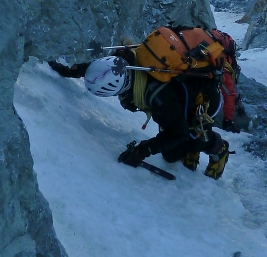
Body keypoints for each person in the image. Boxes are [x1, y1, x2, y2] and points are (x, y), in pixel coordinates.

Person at [48, 42, 230, 179]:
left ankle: (218, 148)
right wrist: (69, 71)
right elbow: (103, 70)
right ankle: (192, 146)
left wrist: (143, 150)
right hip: (180, 98)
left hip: (204, 101)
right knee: (174, 143)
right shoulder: (127, 62)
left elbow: (177, 133)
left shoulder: (158, 97)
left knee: (178, 147)